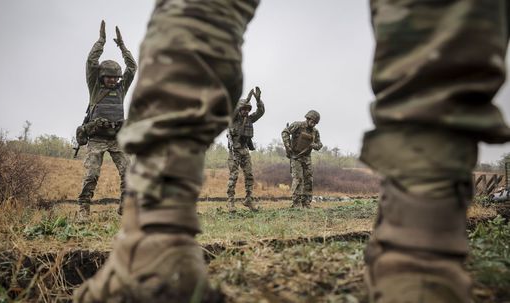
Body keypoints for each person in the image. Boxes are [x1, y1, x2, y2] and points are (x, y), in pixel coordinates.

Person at [75, 1, 510, 302]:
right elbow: (247, 122)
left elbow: (259, 115)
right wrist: (102, 47)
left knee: (201, 10)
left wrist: (263, 106)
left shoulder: (278, 123)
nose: (113, 82)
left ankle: (153, 246)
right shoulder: (246, 121)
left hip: (163, 142)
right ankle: (424, 258)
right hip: (119, 138)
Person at [76, 20, 137, 218]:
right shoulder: (95, 88)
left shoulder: (121, 88)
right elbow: (91, 62)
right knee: (92, 174)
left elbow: (132, 67)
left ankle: (124, 207)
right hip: (97, 139)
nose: (112, 80)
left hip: (117, 138)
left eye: (115, 77)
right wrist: (101, 42)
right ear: (101, 77)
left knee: (128, 173)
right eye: (108, 77)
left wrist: (122, 46)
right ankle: (83, 209)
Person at [226, 87, 265, 212]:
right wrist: (246, 100)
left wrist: (258, 100)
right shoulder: (233, 119)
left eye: (248, 109)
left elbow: (260, 112)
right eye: (243, 109)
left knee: (249, 176)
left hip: (245, 151)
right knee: (234, 176)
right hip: (234, 152)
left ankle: (248, 199)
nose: (246, 111)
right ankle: (230, 202)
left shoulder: (249, 119)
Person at [282, 110, 322, 208]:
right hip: (296, 157)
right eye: (312, 121)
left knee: (309, 179)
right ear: (308, 118)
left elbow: (319, 144)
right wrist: (288, 146)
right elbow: (285, 132)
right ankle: (296, 203)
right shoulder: (298, 125)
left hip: (307, 158)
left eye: (315, 123)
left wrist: (315, 145)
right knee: (298, 179)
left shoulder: (315, 131)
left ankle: (306, 203)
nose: (313, 124)